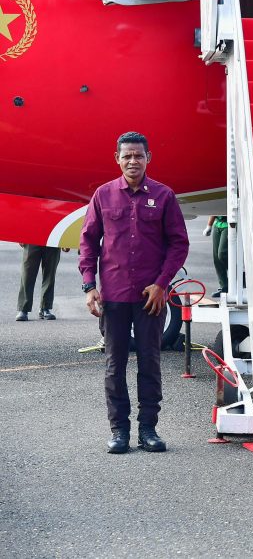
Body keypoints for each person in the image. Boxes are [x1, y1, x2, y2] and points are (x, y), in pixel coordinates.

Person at [79, 131, 189, 454]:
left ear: (148, 158)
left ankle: (148, 430)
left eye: (138, 155)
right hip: (112, 297)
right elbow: (88, 243)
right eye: (126, 156)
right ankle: (120, 431)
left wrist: (162, 283)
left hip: (150, 298)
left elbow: (179, 243)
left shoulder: (165, 196)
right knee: (115, 365)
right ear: (117, 158)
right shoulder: (103, 196)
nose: (132, 161)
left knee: (150, 363)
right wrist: (89, 287)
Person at [16, 244, 62, 321]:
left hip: (53, 238)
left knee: (50, 274)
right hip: (32, 236)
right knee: (27, 273)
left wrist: (65, 242)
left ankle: (45, 307)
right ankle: (23, 308)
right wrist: (21, 235)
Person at [204, 215, 229, 298]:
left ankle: (238, 276)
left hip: (229, 224)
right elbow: (215, 209)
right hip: (217, 224)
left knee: (222, 253)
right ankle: (224, 286)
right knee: (216, 259)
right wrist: (209, 225)